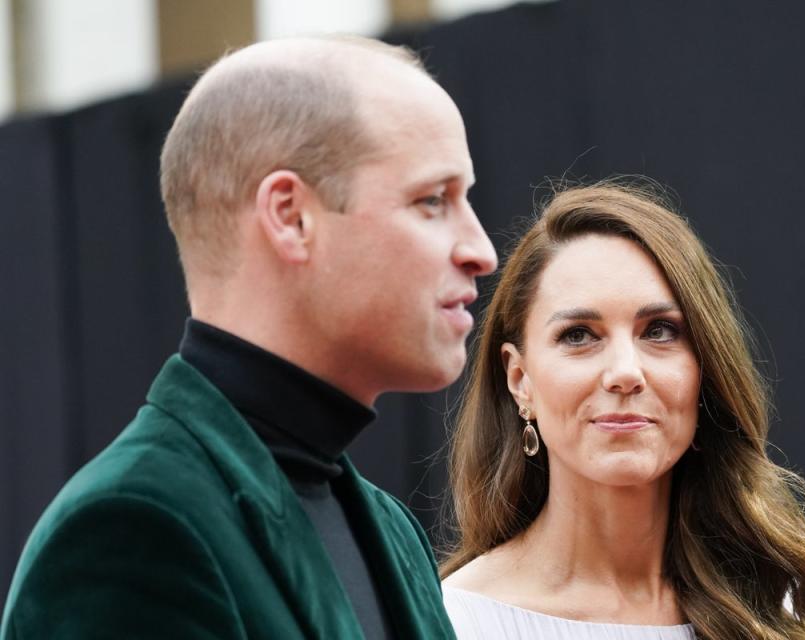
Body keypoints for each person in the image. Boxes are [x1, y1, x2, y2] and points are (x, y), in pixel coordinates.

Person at [1, 36, 496, 639]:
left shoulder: (390, 531)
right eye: (432, 200)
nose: (481, 251)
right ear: (290, 217)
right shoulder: (135, 526)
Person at [441, 182, 805, 639]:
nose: (625, 372)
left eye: (659, 331)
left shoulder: (781, 612)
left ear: (706, 370)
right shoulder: (449, 622)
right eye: (579, 335)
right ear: (520, 380)